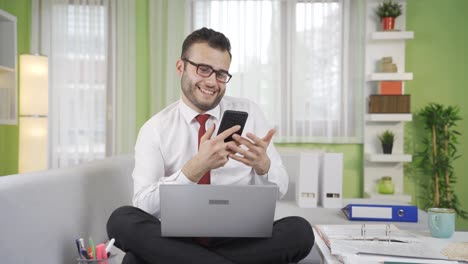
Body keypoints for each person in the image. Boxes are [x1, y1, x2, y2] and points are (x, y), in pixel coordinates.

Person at [107, 27, 314, 264]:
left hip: (239, 240)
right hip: (176, 241)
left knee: (300, 231)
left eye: (221, 74)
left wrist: (264, 166)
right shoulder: (155, 129)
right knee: (121, 220)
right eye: (203, 69)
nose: (212, 81)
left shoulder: (250, 113)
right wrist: (193, 169)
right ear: (180, 67)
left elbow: (280, 190)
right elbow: (143, 207)